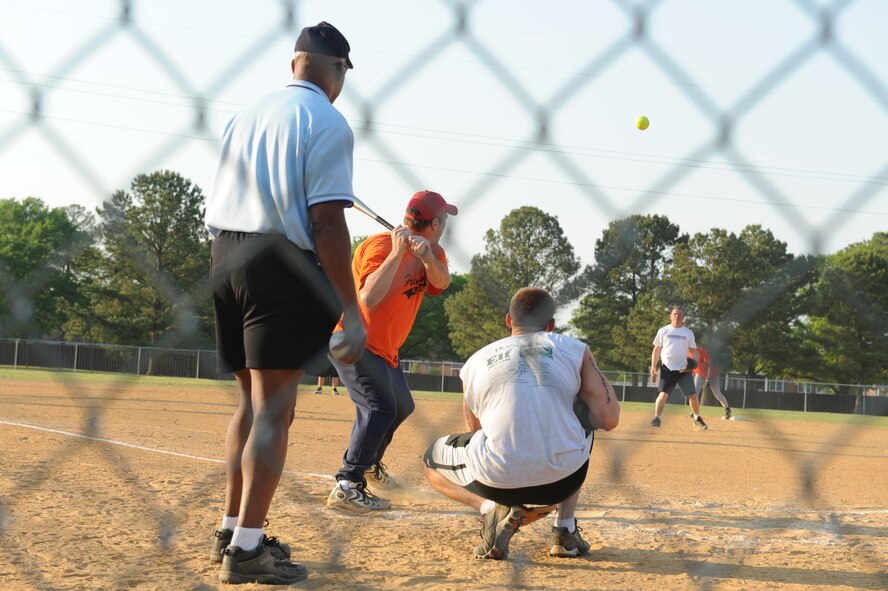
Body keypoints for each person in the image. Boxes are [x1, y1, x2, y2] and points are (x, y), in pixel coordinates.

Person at [204, 21, 366, 585]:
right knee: (276, 410)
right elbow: (326, 223)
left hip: (224, 255)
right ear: (337, 68)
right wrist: (351, 307)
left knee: (249, 405)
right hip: (282, 264)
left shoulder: (243, 114)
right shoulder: (328, 121)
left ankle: (232, 529)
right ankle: (247, 550)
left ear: (294, 61)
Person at [423, 287, 620, 560]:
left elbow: (476, 431)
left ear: (508, 320)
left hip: (495, 479)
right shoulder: (573, 349)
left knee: (429, 459)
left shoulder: (475, 362)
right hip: (563, 480)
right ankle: (564, 530)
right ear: (551, 325)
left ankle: (489, 508)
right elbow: (608, 419)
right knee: (586, 418)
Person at [326, 190, 456, 513]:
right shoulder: (380, 246)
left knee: (401, 406)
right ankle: (347, 483)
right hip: (354, 342)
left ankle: (369, 464)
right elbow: (368, 298)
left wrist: (426, 257)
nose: (446, 226)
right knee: (379, 408)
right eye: (444, 220)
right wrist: (397, 254)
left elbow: (442, 282)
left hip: (385, 350)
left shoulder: (434, 252)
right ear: (435, 223)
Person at [649, 306, 707, 430]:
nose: (677, 316)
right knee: (663, 394)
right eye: (674, 314)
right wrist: (653, 365)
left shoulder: (688, 333)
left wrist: (696, 362)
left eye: (680, 314)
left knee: (693, 395)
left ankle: (696, 417)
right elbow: (657, 349)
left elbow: (694, 351)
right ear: (670, 316)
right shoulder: (664, 331)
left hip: (684, 369)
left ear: (683, 317)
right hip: (668, 368)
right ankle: (657, 418)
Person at [693, 345, 731, 419]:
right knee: (694, 393)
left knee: (717, 393)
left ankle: (727, 408)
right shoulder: (685, 353)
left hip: (713, 374)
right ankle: (695, 412)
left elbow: (711, 365)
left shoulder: (700, 351)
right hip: (700, 374)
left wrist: (708, 379)